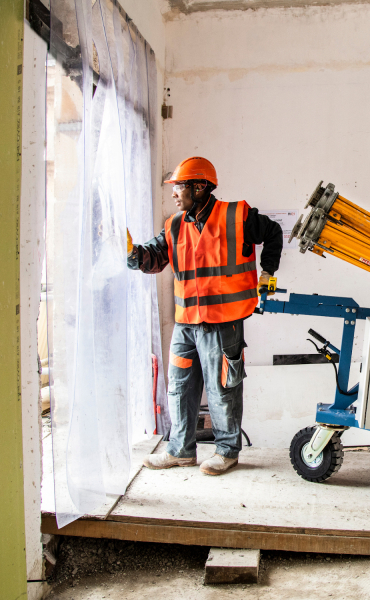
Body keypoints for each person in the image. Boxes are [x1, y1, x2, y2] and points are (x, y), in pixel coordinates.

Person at [127, 156, 282, 475]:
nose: (173, 193)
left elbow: (274, 232)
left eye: (178, 186)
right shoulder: (173, 226)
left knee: (222, 387)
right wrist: (129, 251)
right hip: (186, 323)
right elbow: (154, 259)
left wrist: (268, 272)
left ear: (199, 187)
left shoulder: (236, 216)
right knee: (179, 386)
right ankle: (180, 451)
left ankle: (227, 451)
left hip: (224, 321)